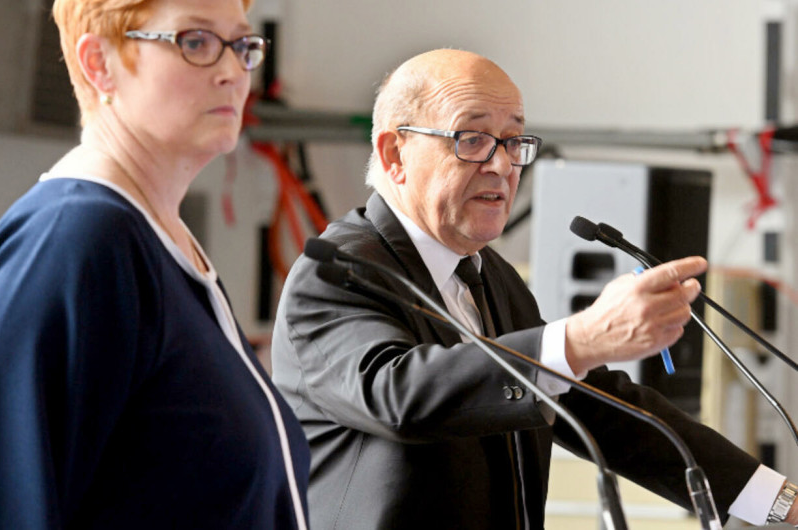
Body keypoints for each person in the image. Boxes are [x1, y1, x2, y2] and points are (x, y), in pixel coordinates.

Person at [270, 48, 798, 529]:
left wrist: (780, 503)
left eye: (514, 141)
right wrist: (581, 339)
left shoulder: (491, 276)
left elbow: (607, 412)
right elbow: (399, 394)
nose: (502, 164)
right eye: (472, 139)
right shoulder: (337, 272)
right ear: (394, 154)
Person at [0, 0, 309, 529]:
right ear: (99, 63)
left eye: (242, 45)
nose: (233, 71)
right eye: (196, 42)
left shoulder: (163, 242)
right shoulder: (77, 240)